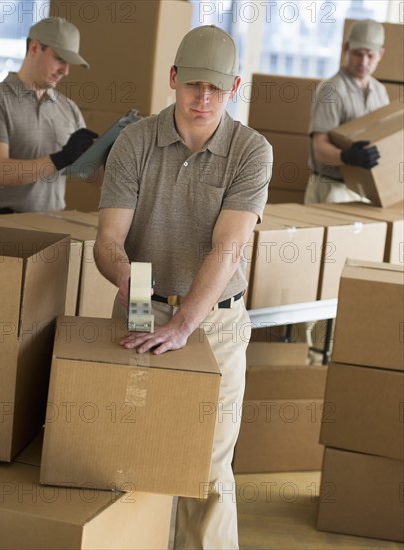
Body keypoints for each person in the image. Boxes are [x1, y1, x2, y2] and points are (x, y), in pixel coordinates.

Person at [94, 25, 272, 550]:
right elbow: (109, 240)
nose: (203, 98)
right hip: (143, 305)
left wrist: (184, 325)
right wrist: (133, 285)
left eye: (216, 88)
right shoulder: (135, 142)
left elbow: (229, 247)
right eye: (194, 84)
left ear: (234, 87)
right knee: (132, 452)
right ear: (172, 78)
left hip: (214, 320)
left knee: (208, 466)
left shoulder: (251, 151)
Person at [0, 17, 98, 213]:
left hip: (53, 227)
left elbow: (92, 176)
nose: (66, 71)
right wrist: (59, 159)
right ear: (34, 47)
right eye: (60, 58)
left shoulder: (69, 109)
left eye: (69, 63)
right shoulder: (0, 101)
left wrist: (112, 151)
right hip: (5, 229)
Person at [304, 18, 390, 204]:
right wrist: (347, 156)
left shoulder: (380, 92)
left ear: (380, 54)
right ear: (346, 49)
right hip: (331, 189)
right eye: (358, 54)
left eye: (370, 56)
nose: (363, 61)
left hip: (366, 191)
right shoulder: (331, 90)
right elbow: (319, 149)